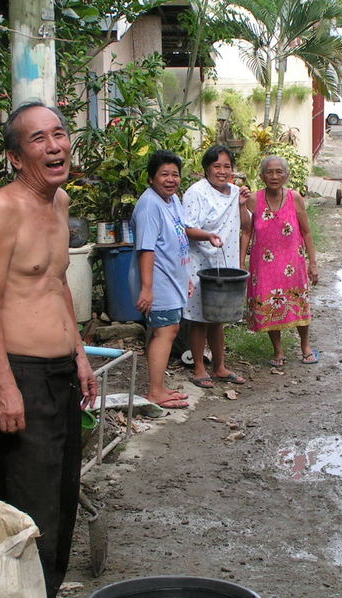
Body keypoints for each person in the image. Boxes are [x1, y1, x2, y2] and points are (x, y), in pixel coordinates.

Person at [0, 101, 98, 598]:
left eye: (59, 134)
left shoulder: (60, 203)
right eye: (38, 139)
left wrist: (81, 355)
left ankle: (47, 591)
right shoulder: (1, 207)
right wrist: (5, 386)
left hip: (61, 371)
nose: (55, 146)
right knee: (30, 508)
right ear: (15, 157)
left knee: (63, 498)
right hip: (20, 376)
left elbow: (57, 285)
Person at [131, 149, 222, 408]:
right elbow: (146, 248)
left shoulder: (172, 201)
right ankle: (155, 392)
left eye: (175, 174)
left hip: (174, 279)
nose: (171, 179)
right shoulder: (149, 205)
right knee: (164, 332)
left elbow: (181, 236)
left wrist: (186, 278)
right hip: (159, 282)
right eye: (164, 174)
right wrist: (147, 289)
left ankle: (158, 387)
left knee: (169, 330)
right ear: (151, 179)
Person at [182, 145, 251, 389]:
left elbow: (246, 226)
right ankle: (200, 367)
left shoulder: (235, 192)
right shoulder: (195, 192)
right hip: (199, 262)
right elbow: (187, 229)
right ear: (206, 169)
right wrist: (208, 236)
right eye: (216, 166)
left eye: (227, 167)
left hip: (225, 263)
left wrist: (243, 204)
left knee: (218, 317)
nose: (222, 172)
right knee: (200, 317)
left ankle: (219, 366)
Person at [241, 156, 319, 366]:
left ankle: (305, 346)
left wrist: (313, 263)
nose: (274, 176)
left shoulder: (295, 198)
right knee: (269, 304)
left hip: (292, 264)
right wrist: (241, 262)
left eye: (279, 172)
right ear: (262, 176)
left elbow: (306, 232)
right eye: (269, 172)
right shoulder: (254, 199)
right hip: (263, 264)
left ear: (286, 175)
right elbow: (246, 232)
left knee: (299, 303)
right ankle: (278, 351)